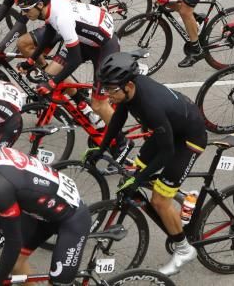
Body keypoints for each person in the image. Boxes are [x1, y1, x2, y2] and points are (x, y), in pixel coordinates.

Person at [87, 52, 208, 276]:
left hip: (188, 140)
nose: (107, 95)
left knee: (159, 201)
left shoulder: (150, 105)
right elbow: (117, 120)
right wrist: (101, 149)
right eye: (105, 88)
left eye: (111, 90)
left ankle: (184, 250)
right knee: (134, 172)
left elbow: (167, 151)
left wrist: (139, 180)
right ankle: (182, 197)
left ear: (129, 86)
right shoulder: (128, 92)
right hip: (169, 129)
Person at [0, 115, 91, 286]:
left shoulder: (1, 184)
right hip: (44, 211)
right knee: (15, 265)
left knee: (57, 282)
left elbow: (12, 243)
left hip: (71, 219)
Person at [14, 0, 119, 127]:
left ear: (39, 4)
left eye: (26, 9)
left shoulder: (62, 19)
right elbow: (50, 32)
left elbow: (75, 59)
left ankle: (121, 141)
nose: (24, 14)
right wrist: (30, 61)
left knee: (98, 105)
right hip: (86, 41)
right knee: (50, 72)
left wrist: (52, 84)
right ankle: (81, 103)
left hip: (104, 47)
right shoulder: (51, 3)